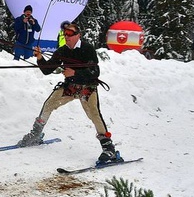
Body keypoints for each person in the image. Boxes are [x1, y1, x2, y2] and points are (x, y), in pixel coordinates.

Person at [18, 22, 119, 163]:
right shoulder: (62, 51)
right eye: (65, 34)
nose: (67, 36)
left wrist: (74, 72)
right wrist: (40, 58)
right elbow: (48, 70)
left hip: (87, 87)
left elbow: (94, 72)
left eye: (70, 34)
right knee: (49, 104)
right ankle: (36, 134)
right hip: (70, 87)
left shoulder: (87, 49)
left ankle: (109, 149)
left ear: (78, 35)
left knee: (94, 114)